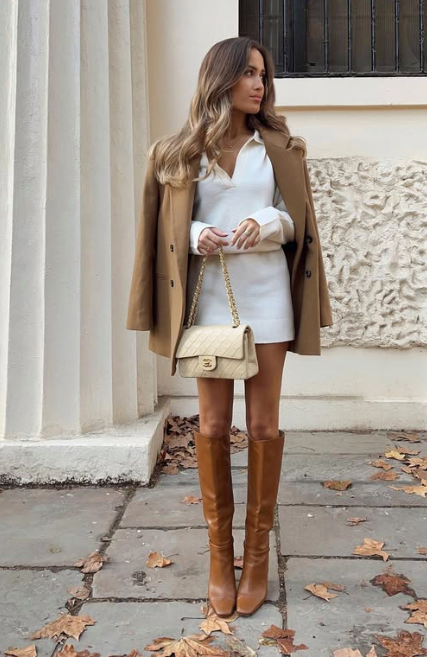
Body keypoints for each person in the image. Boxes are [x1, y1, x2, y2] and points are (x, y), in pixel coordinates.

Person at [126, 36, 332, 617]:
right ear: (220, 79)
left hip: (267, 299)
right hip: (208, 301)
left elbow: (299, 223)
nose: (259, 84)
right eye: (248, 73)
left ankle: (256, 557)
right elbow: (160, 229)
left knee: (263, 426)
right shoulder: (176, 153)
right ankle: (221, 557)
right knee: (213, 424)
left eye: (263, 74)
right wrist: (198, 235)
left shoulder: (282, 149)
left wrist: (265, 222)